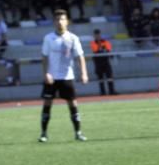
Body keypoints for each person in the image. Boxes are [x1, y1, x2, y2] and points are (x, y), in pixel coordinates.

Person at [39, 9, 88, 142]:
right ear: (54, 22)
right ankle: (43, 134)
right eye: (57, 19)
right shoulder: (48, 38)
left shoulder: (73, 38)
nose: (60, 22)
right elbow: (44, 57)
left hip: (67, 77)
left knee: (73, 104)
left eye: (62, 19)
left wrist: (84, 73)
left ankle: (78, 132)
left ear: (67, 22)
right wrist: (46, 73)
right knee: (47, 103)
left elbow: (80, 57)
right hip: (52, 78)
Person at [90, 28, 115, 95]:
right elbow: (95, 51)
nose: (97, 36)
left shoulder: (105, 41)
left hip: (106, 62)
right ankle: (102, 92)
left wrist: (103, 50)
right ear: (94, 35)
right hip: (98, 63)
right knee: (100, 79)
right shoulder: (93, 43)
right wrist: (102, 49)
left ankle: (111, 92)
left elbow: (108, 50)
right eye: (96, 35)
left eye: (98, 34)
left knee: (109, 77)